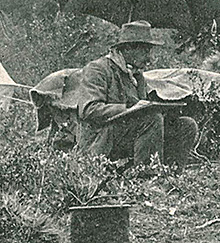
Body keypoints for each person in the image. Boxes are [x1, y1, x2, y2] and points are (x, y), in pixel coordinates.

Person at [70, 20, 200, 169]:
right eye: (145, 51)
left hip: (127, 135)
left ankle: (169, 177)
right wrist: (130, 108)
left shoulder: (137, 75)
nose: (149, 58)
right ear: (129, 49)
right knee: (151, 119)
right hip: (100, 140)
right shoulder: (98, 69)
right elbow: (88, 110)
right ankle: (147, 178)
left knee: (186, 125)